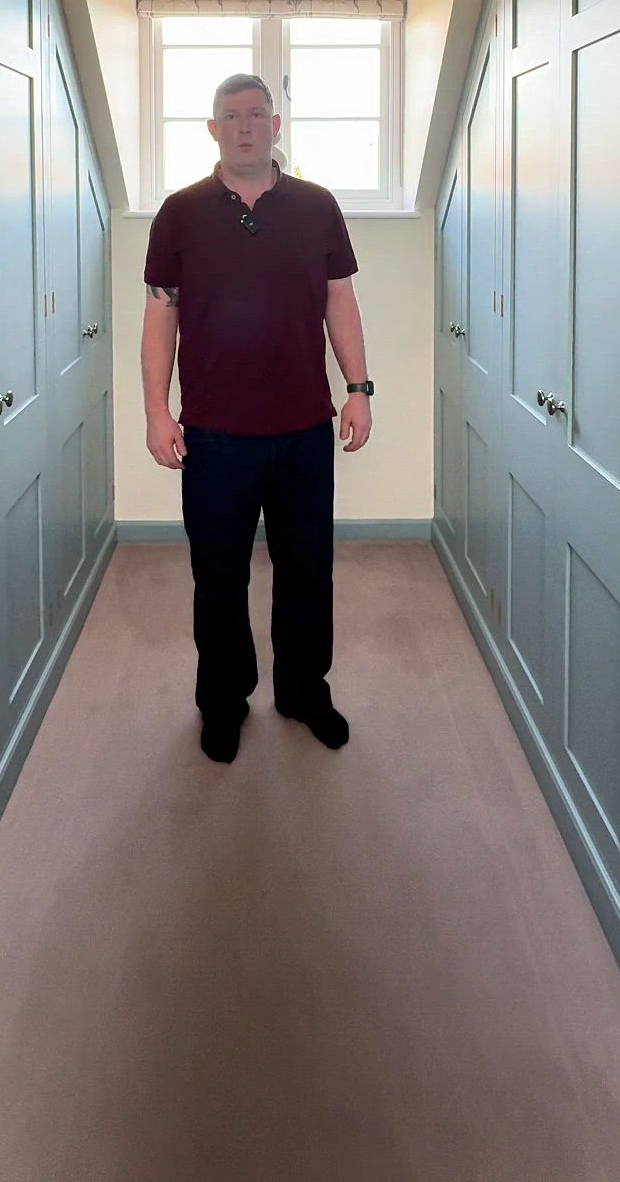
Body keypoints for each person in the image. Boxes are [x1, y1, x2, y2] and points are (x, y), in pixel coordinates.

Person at [141, 72, 374, 764]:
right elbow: (160, 316)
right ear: (212, 130)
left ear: (276, 126)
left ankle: (304, 690)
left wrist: (358, 388)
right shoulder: (179, 212)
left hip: (303, 429)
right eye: (230, 115)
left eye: (256, 114)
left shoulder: (317, 206)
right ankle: (223, 700)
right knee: (219, 575)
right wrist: (158, 412)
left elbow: (340, 301)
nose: (244, 125)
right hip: (213, 436)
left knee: (308, 570)